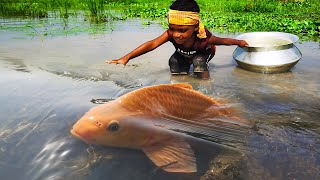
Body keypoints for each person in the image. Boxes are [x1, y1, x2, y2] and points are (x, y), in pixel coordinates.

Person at [107, 0, 248, 79]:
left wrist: (239, 43)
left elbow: (223, 41)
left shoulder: (203, 37)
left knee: (198, 62)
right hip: (183, 53)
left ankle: (204, 86)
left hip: (202, 54)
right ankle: (180, 82)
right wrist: (126, 58)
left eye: (182, 30)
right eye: (172, 28)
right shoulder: (170, 34)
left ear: (195, 27)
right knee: (174, 62)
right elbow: (152, 44)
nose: (176, 34)